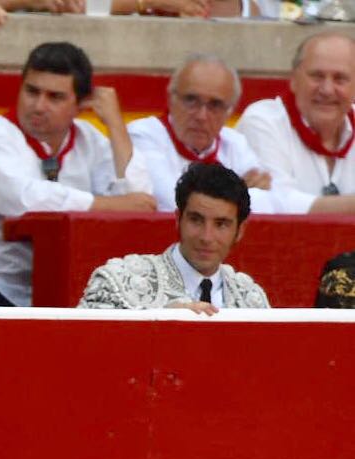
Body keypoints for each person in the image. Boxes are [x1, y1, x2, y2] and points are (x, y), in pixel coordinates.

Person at [0, 42, 154, 307]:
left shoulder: (89, 139)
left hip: (72, 284)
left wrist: (115, 124)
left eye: (55, 97)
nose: (39, 106)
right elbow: (27, 202)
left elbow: (141, 202)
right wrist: (113, 206)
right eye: (32, 91)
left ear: (81, 104)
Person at [79, 162, 269, 312]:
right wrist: (156, 321)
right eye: (196, 220)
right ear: (178, 219)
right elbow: (80, 349)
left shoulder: (252, 300)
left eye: (221, 224)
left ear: (240, 230)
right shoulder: (119, 281)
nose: (206, 237)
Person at [127, 55, 304, 215]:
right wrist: (239, 192)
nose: (201, 116)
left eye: (215, 105)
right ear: (170, 99)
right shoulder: (143, 135)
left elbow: (272, 204)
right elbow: (170, 200)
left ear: (229, 111)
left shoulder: (235, 143)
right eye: (191, 100)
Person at [237, 33, 355, 210]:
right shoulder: (262, 121)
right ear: (294, 79)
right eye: (317, 76)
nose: (327, 89)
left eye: (340, 79)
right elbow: (277, 205)